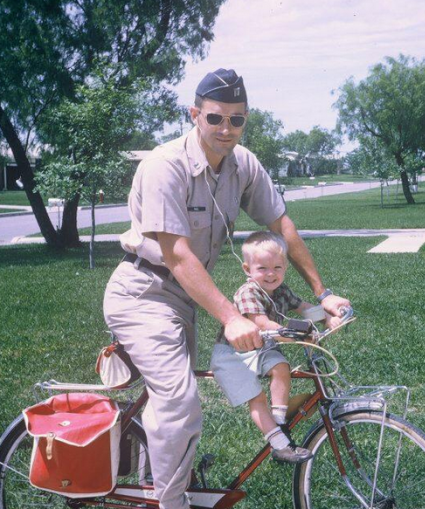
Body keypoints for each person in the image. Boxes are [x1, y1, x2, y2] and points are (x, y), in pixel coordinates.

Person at [102, 68, 350, 509]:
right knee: (180, 402)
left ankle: (155, 483)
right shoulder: (164, 166)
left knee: (170, 404)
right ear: (194, 114)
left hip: (186, 295)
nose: (226, 128)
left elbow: (282, 226)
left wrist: (322, 292)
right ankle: (172, 504)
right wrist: (232, 317)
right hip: (143, 292)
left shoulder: (243, 165)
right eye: (215, 117)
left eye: (237, 120)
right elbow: (177, 255)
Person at [211, 231, 340, 463]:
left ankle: (280, 423)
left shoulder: (281, 290)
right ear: (247, 269)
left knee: (281, 366)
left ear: (285, 267)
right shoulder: (248, 292)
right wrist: (294, 335)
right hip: (232, 353)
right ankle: (280, 444)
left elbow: (304, 307)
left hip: (261, 348)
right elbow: (261, 322)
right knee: (257, 396)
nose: (271, 274)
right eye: (262, 268)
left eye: (277, 267)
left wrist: (327, 316)